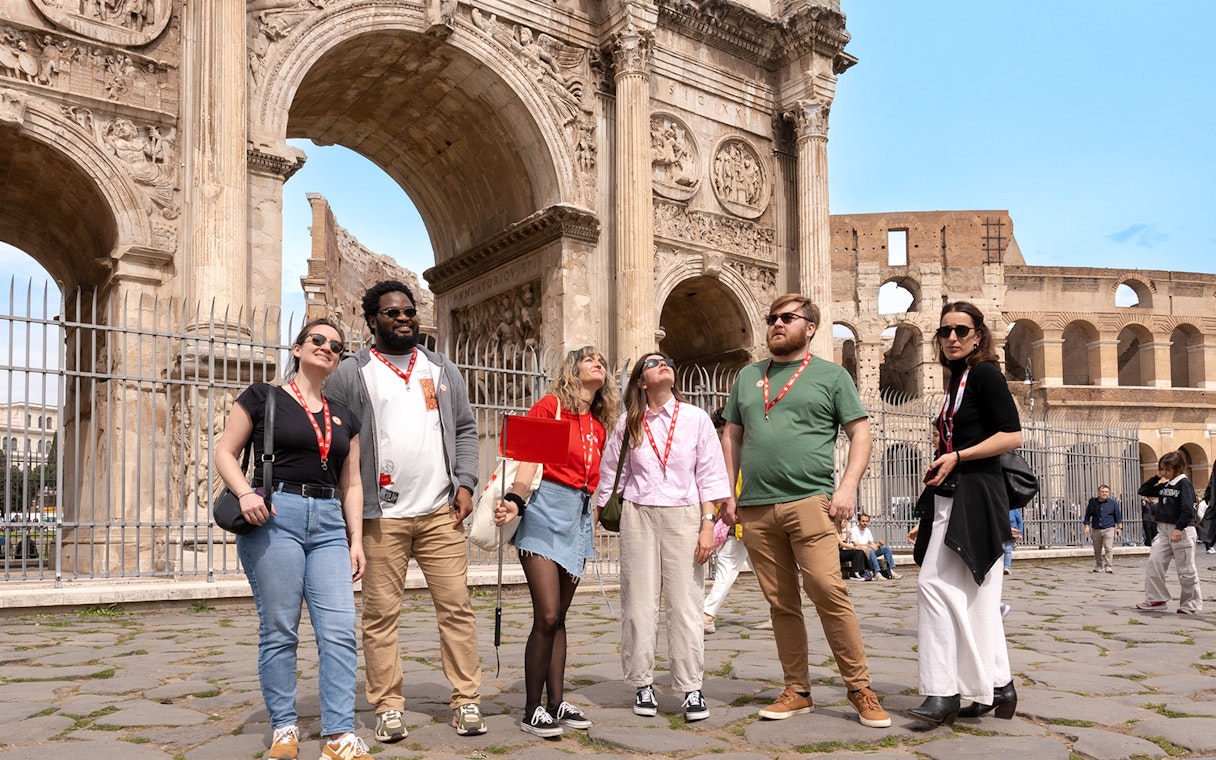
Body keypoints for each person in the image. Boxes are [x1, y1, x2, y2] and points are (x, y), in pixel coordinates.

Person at [325, 280, 487, 741]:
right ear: (372, 320)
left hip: (440, 511)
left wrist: (466, 482)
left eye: (409, 311)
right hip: (380, 516)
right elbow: (334, 439)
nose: (403, 318)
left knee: (456, 608)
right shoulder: (351, 373)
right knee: (380, 615)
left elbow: (465, 429)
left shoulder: (440, 369)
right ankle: (388, 704)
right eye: (393, 312)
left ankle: (466, 700)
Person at [719, 293, 891, 729]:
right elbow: (732, 436)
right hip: (756, 506)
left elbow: (861, 434)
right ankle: (797, 690)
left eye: (787, 318)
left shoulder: (832, 376)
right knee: (781, 603)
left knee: (828, 592)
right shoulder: (747, 376)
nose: (776, 323)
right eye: (772, 317)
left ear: (810, 327)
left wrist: (848, 486)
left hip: (811, 500)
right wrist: (728, 490)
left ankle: (859, 688)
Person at [215, 319, 370, 760]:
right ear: (298, 347)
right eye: (317, 340)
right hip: (274, 515)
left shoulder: (345, 415)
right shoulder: (263, 397)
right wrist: (245, 493)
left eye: (336, 346)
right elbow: (225, 451)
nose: (327, 348)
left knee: (339, 630)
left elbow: (352, 482)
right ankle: (285, 728)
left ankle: (339, 735)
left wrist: (355, 539)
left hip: (328, 522)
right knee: (281, 628)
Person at [493, 346, 620, 737]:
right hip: (545, 511)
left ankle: (556, 701)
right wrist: (514, 499)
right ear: (572, 370)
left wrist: (592, 519)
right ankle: (532, 708)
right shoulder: (551, 407)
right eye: (588, 359)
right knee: (547, 615)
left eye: (601, 360)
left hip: (579, 517)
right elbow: (529, 456)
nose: (597, 363)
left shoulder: (599, 425)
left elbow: (597, 481)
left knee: (560, 618)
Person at [597, 352, 730, 722]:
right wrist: (596, 514)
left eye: (667, 361)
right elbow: (612, 474)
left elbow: (710, 473)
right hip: (638, 514)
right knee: (638, 603)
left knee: (686, 602)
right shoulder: (629, 422)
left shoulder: (696, 419)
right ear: (641, 382)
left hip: (685, 515)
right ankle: (643, 683)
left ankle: (690, 688)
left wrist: (708, 522)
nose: (663, 364)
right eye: (653, 363)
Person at [908, 301, 1023, 727]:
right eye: (944, 332)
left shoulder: (985, 373)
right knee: (979, 595)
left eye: (961, 330)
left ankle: (942, 691)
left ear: (978, 335)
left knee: (933, 586)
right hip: (954, 495)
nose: (952, 337)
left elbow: (1012, 435)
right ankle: (997, 685)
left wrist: (958, 455)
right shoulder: (957, 378)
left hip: (975, 492)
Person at [702, 409, 751, 636]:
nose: (722, 437)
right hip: (742, 518)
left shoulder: (740, 451)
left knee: (727, 565)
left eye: (724, 432)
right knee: (762, 570)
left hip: (742, 517)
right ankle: (780, 610)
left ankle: (707, 614)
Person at [1135, 451, 1202, 614]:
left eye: (1166, 470)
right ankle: (1156, 598)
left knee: (1186, 569)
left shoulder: (1184, 484)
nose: (1163, 473)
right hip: (1163, 530)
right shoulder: (1166, 484)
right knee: (1154, 562)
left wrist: (1179, 528)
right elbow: (1143, 490)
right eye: (1161, 469)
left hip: (1181, 530)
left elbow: (1188, 509)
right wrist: (1158, 477)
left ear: (1177, 468)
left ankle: (1190, 603)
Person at [1082, 485, 1122, 573]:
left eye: (1106, 492)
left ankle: (1108, 566)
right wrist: (1087, 526)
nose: (1104, 493)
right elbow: (1088, 515)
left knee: (1108, 547)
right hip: (1096, 528)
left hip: (1109, 528)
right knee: (1097, 549)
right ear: (1099, 492)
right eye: (1102, 492)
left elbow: (1118, 516)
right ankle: (1099, 565)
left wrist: (1119, 528)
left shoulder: (1113, 503)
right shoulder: (1092, 502)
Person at [850, 513, 900, 580]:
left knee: (886, 549)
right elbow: (856, 544)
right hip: (860, 551)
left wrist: (879, 545)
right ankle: (877, 572)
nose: (865, 523)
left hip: (868, 549)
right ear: (859, 521)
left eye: (867, 521)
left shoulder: (867, 530)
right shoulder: (854, 530)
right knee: (870, 550)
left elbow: (872, 543)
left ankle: (890, 570)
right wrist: (870, 546)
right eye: (863, 521)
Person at [1004, 508, 1023, 575]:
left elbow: (1020, 521)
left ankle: (1007, 567)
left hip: (1012, 534)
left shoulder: (1014, 510)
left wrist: (1020, 533)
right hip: (1002, 532)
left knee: (1007, 550)